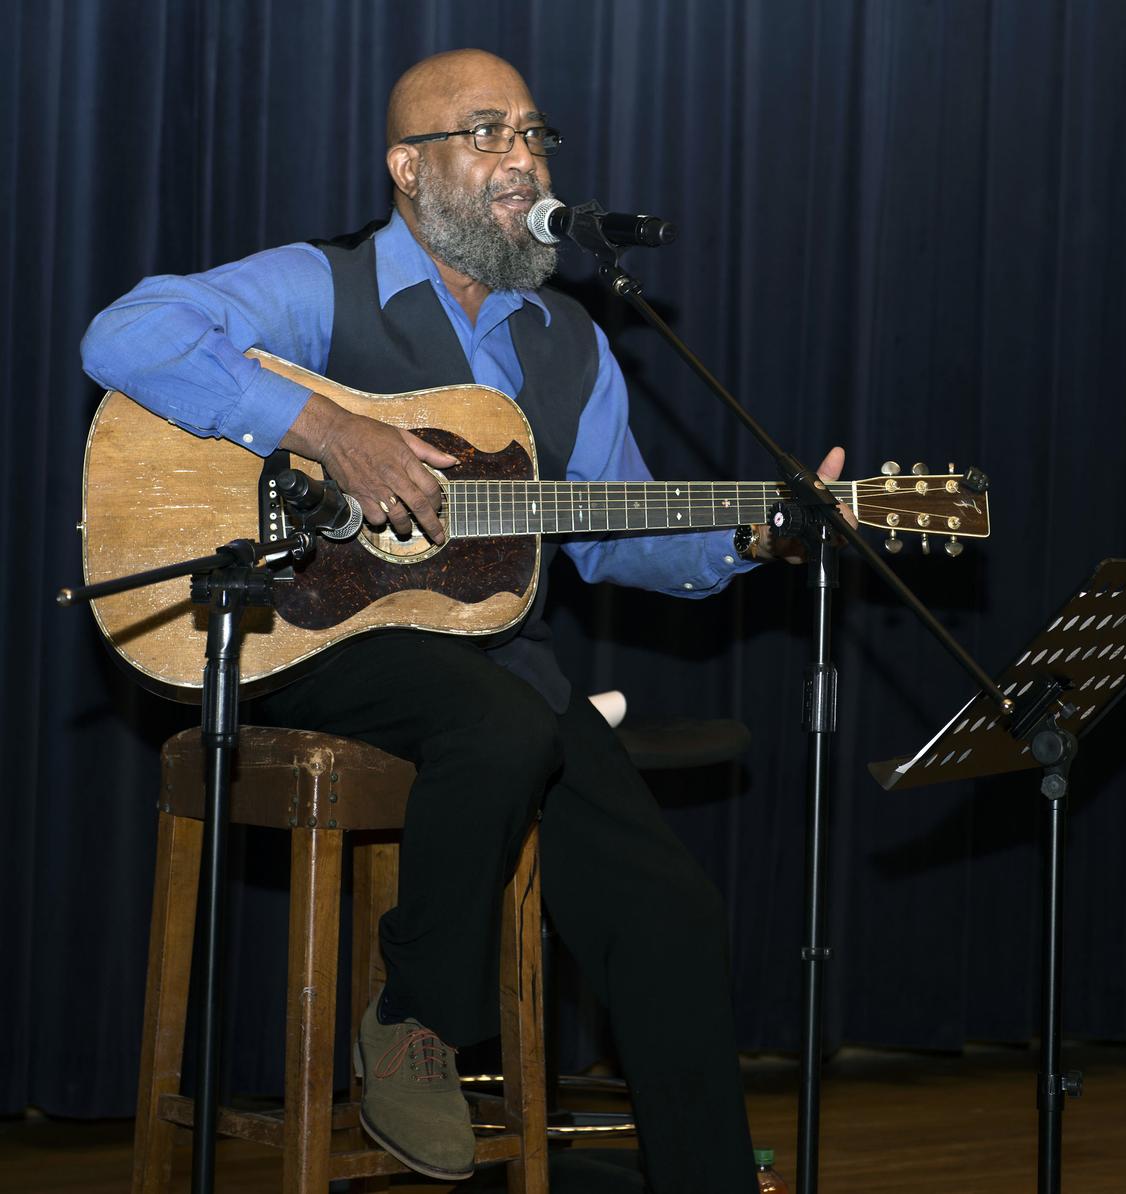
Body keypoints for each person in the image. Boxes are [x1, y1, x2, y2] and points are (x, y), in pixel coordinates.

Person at [82, 49, 850, 1193]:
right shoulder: (316, 287)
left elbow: (611, 531)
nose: (522, 157)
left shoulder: (571, 344)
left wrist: (752, 535)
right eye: (486, 133)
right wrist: (324, 431)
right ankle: (416, 1022)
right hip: (297, 635)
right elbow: (124, 336)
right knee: (498, 726)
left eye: (534, 134)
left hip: (490, 661)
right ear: (407, 168)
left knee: (671, 916)